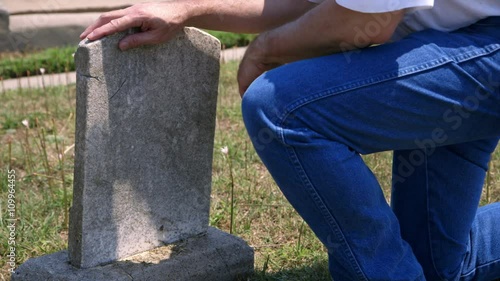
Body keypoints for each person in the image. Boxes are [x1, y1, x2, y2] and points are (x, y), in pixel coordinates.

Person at [81, 0, 500, 280]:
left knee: (282, 109)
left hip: (484, 44)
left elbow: (368, 18)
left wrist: (266, 51)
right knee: (438, 264)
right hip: (455, 38)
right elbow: (328, 4)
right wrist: (187, 8)